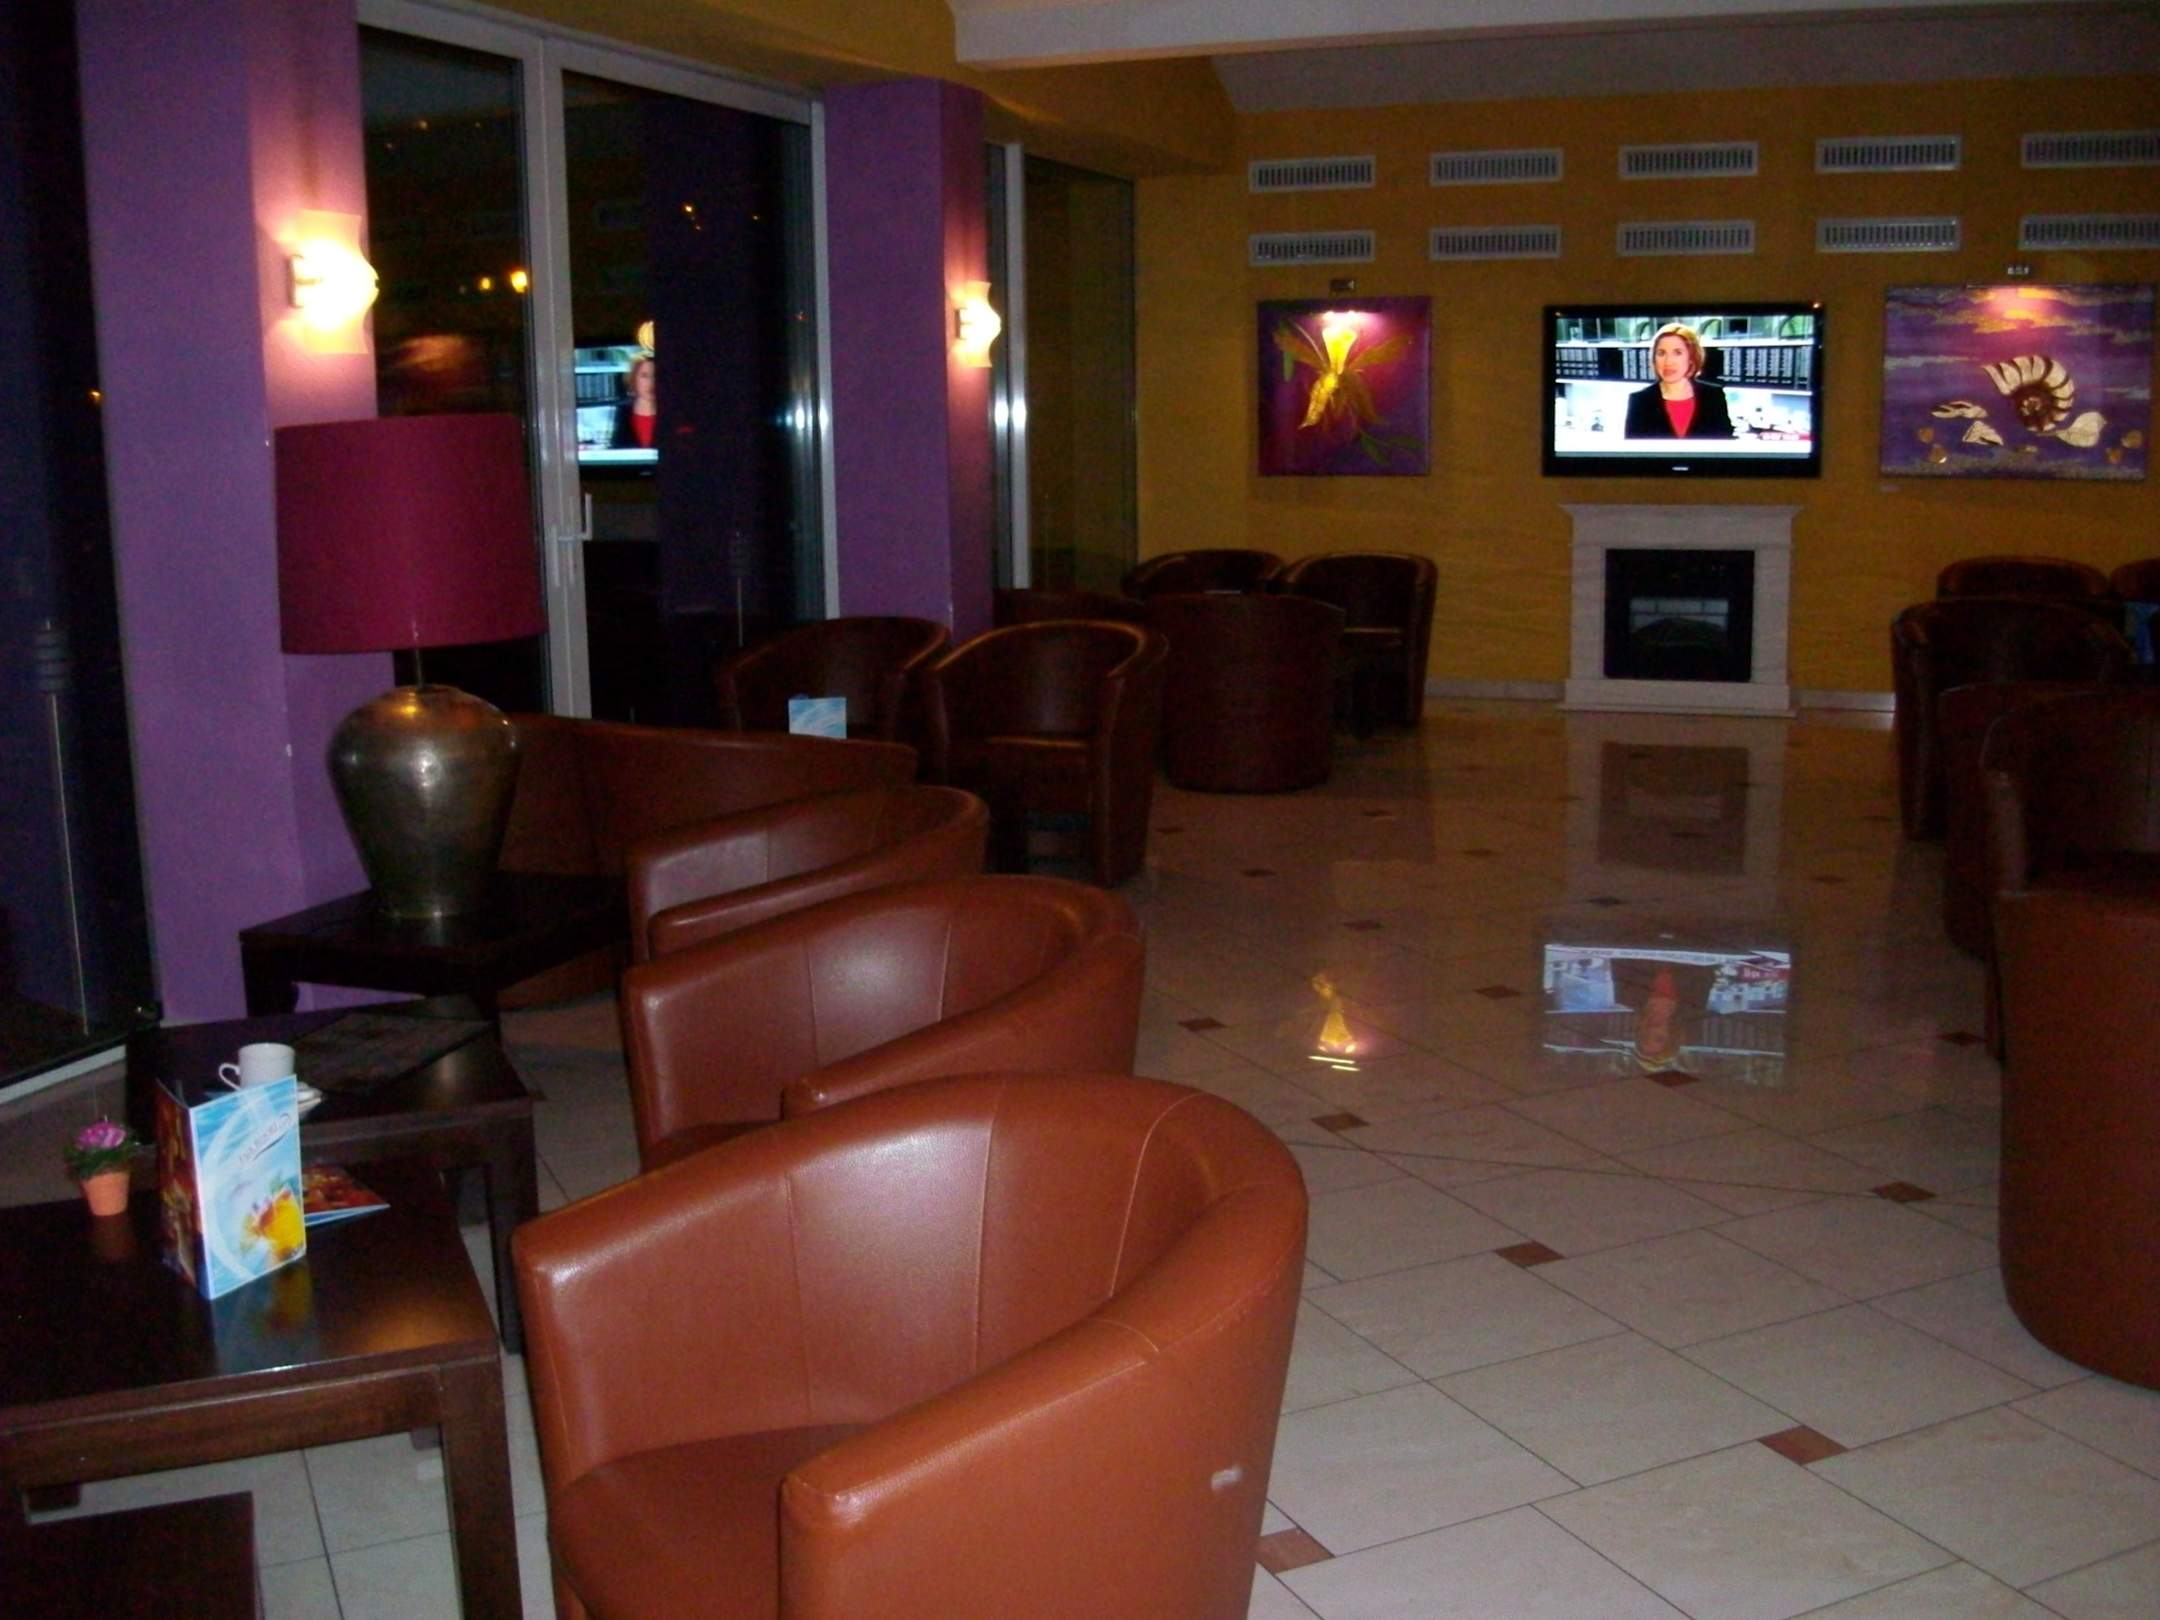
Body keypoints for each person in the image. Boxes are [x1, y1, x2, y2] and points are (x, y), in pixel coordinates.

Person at [1624, 323, 1734, 440]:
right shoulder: (1640, 400)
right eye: (1661, 353)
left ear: (1691, 358)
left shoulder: (1713, 396)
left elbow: (1725, 443)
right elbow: (1633, 449)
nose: (1668, 362)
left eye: (1677, 353)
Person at [609, 354, 657, 450]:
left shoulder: (671, 412)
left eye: (655, 375)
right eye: (645, 376)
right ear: (634, 379)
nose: (651, 383)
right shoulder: (623, 412)